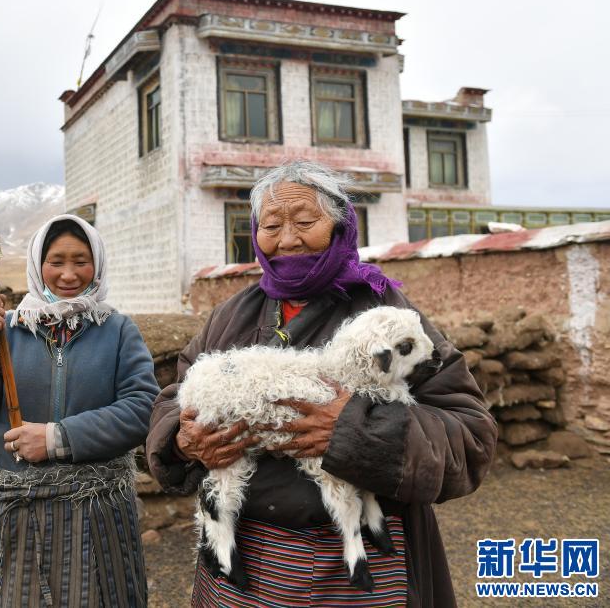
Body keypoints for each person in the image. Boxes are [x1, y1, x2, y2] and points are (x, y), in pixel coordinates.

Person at [146, 161, 497, 607]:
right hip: (244, 566)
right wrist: (183, 440)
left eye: (305, 222)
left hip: (357, 566)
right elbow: (174, 400)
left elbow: (470, 435)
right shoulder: (231, 316)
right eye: (271, 225)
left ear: (340, 226)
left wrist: (354, 432)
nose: (287, 239)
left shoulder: (387, 317)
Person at [0, 214, 159, 608]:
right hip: (17, 515)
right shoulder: (7, 332)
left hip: (96, 515)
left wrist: (56, 438)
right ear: (37, 264)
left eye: (81, 261)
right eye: (56, 261)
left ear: (97, 263)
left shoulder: (117, 331)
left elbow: (141, 408)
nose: (68, 274)